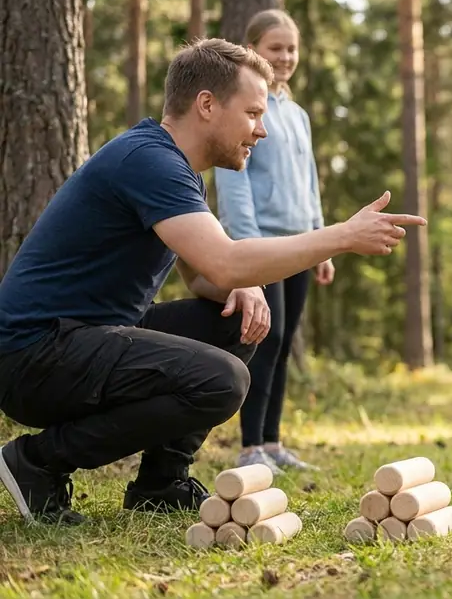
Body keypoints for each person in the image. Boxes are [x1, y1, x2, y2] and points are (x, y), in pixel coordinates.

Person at [0, 37, 425, 525]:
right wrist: (342, 235)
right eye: (252, 113)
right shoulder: (149, 162)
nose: (261, 131)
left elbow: (204, 275)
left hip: (81, 341)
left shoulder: (175, 170)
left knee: (233, 321)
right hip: (34, 354)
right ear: (206, 104)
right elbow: (223, 262)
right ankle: (37, 462)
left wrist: (237, 287)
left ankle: (160, 484)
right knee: (222, 381)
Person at [214, 9, 330, 475]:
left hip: (302, 242)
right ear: (253, 52)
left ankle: (273, 441)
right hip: (263, 243)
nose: (284, 57)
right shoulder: (247, 110)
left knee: (283, 344)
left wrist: (321, 242)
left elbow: (311, 181)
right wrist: (244, 243)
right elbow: (235, 178)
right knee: (267, 336)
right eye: (275, 48)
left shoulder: (297, 114)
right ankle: (250, 447)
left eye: (291, 49)